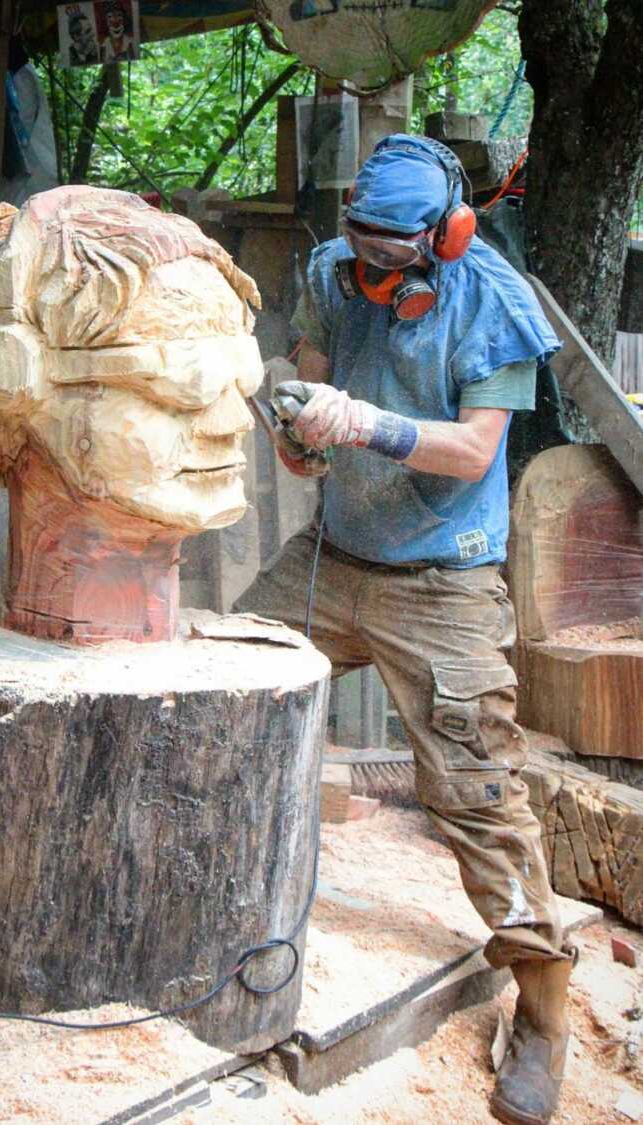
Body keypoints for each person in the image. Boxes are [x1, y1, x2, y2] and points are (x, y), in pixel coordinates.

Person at [236, 134, 573, 1125]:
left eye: (395, 252)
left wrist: (365, 423)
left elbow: (474, 451)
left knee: (476, 791)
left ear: (446, 231)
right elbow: (310, 377)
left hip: (445, 585)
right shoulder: (335, 273)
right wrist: (301, 427)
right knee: (221, 682)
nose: (374, 265)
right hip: (334, 560)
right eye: (362, 243)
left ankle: (545, 1009)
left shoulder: (494, 305)